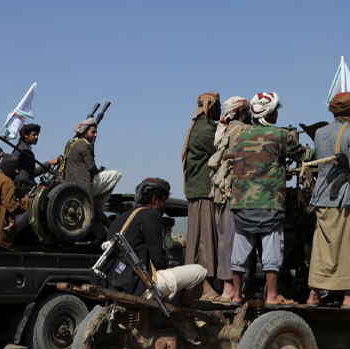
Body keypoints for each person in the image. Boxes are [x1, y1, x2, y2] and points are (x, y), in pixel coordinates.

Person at [230, 92, 311, 308]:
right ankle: (272, 295)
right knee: (272, 249)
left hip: (241, 205)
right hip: (269, 205)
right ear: (271, 114)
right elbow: (302, 155)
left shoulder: (240, 136)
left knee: (240, 249)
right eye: (276, 111)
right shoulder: (280, 135)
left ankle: (236, 295)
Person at [305, 92, 350, 309]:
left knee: (323, 248)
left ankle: (314, 295)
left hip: (323, 198)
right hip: (346, 199)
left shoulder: (320, 133)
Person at [107, 178, 206, 308]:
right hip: (138, 286)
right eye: (164, 200)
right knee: (200, 271)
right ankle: (181, 315)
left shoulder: (121, 219)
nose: (165, 205)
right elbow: (158, 258)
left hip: (113, 284)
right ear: (154, 199)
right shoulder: (151, 215)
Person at [208, 96, 252, 303]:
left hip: (220, 192)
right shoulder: (244, 131)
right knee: (235, 240)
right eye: (248, 111)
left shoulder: (223, 130)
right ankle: (232, 291)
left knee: (225, 239)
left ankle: (228, 290)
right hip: (235, 191)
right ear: (241, 113)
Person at [182, 92, 221, 301]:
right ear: (211, 108)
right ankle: (205, 289)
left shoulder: (199, 127)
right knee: (203, 243)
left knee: (202, 241)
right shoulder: (207, 131)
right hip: (203, 192)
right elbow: (222, 149)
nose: (221, 110)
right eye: (218, 107)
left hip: (200, 191)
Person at [59, 118, 122, 223]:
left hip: (69, 185)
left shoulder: (69, 143)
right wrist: (99, 171)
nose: (96, 135)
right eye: (93, 132)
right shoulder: (84, 145)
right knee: (116, 174)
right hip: (83, 186)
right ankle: (97, 202)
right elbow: (91, 168)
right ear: (83, 132)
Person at [11, 124, 61, 188]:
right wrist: (49, 163)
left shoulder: (20, 147)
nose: (36, 137)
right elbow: (32, 173)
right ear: (26, 135)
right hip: (24, 187)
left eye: (37, 135)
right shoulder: (25, 150)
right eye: (34, 135)